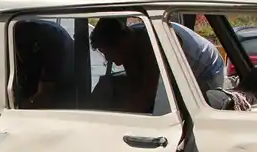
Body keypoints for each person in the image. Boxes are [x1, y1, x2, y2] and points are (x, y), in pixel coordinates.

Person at [90, 17, 225, 113]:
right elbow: (134, 84)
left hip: (206, 70)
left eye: (107, 52)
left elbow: (149, 96)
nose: (107, 58)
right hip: (178, 65)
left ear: (121, 43)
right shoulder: (128, 45)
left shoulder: (154, 46)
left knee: (183, 110)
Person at [0, 19, 76, 130]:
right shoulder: (4, 39)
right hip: (30, 85)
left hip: (60, 104)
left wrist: (7, 118)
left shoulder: (50, 43)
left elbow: (44, 96)